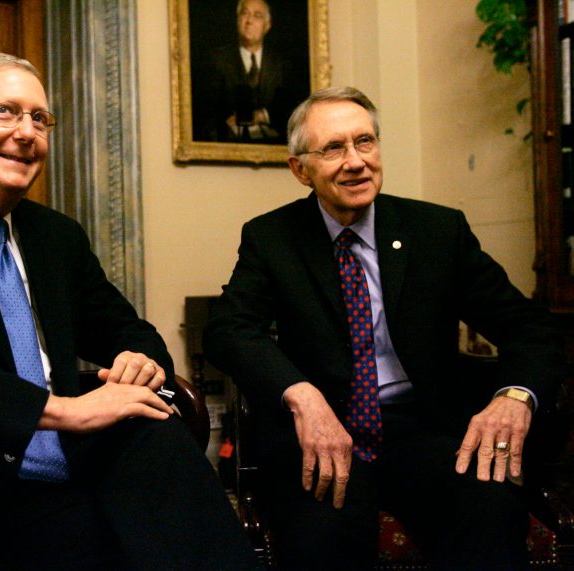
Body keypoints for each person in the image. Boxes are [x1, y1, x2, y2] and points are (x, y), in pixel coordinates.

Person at [0, 53, 260, 571]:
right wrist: (66, 410)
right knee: (113, 543)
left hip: (78, 460)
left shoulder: (56, 236)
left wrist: (140, 362)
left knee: (158, 436)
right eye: (7, 111)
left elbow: (128, 329)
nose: (27, 132)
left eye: (39, 119)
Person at [203, 86, 566, 570]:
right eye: (333, 148)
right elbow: (228, 330)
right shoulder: (272, 238)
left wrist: (515, 396)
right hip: (323, 435)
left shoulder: (437, 231)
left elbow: (530, 327)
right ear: (300, 170)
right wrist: (301, 394)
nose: (355, 161)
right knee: (319, 540)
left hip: (425, 430)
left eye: (365, 142)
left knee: (490, 512)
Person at [195, 0, 299, 143]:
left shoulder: (282, 65)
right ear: (237, 20)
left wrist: (262, 116)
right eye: (245, 14)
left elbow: (290, 111)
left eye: (257, 15)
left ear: (267, 26)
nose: (249, 20)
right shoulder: (216, 61)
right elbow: (205, 114)